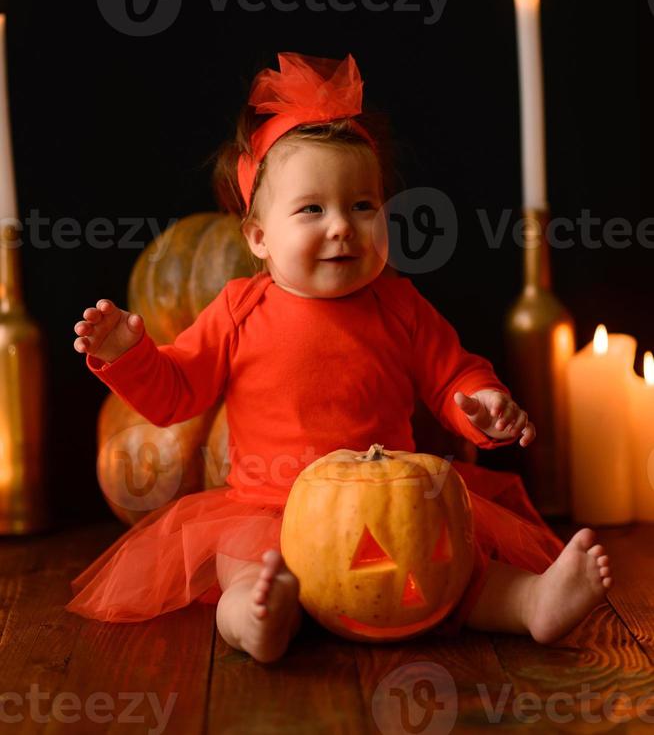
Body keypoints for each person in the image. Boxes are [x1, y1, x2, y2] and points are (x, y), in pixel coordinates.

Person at [68, 52, 612, 664]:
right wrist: (129, 354)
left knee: (457, 570)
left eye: (362, 206)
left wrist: (480, 407)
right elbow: (175, 392)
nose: (341, 228)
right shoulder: (238, 309)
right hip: (266, 508)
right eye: (311, 209)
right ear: (258, 236)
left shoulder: (398, 305)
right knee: (246, 573)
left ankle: (532, 604)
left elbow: (452, 373)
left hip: (390, 501)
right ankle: (255, 620)